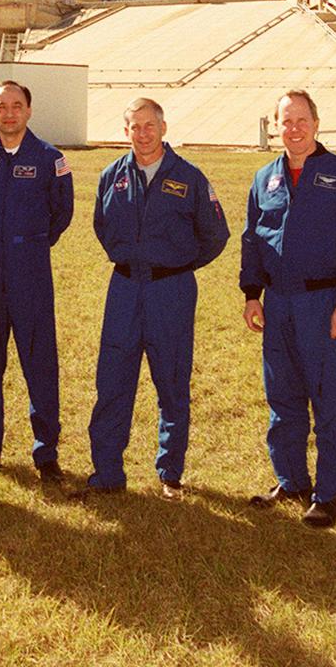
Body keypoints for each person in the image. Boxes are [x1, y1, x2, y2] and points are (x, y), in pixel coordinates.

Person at [241, 90, 336, 527]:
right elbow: (252, 239)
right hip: (278, 303)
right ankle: (292, 479)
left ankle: (329, 491)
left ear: (316, 124)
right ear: (275, 126)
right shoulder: (264, 178)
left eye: (302, 120)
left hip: (323, 304)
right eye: (286, 121)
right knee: (282, 395)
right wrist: (251, 294)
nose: (294, 129)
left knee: (329, 398)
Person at [84, 97, 229, 499]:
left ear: (164, 128)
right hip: (125, 290)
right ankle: (107, 473)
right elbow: (102, 226)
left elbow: (215, 235)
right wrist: (132, 259)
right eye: (135, 126)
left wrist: (175, 266)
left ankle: (169, 474)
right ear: (126, 130)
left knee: (171, 382)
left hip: (172, 292)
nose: (143, 134)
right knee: (112, 381)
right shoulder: (112, 176)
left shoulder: (190, 178)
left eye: (150, 126)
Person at [0, 81, 74, 482]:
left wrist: (28, 245)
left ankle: (46, 454)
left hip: (31, 272)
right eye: (1, 106)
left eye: (17, 106)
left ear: (29, 111)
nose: (9, 113)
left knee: (39, 363)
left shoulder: (50, 159)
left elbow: (62, 213)